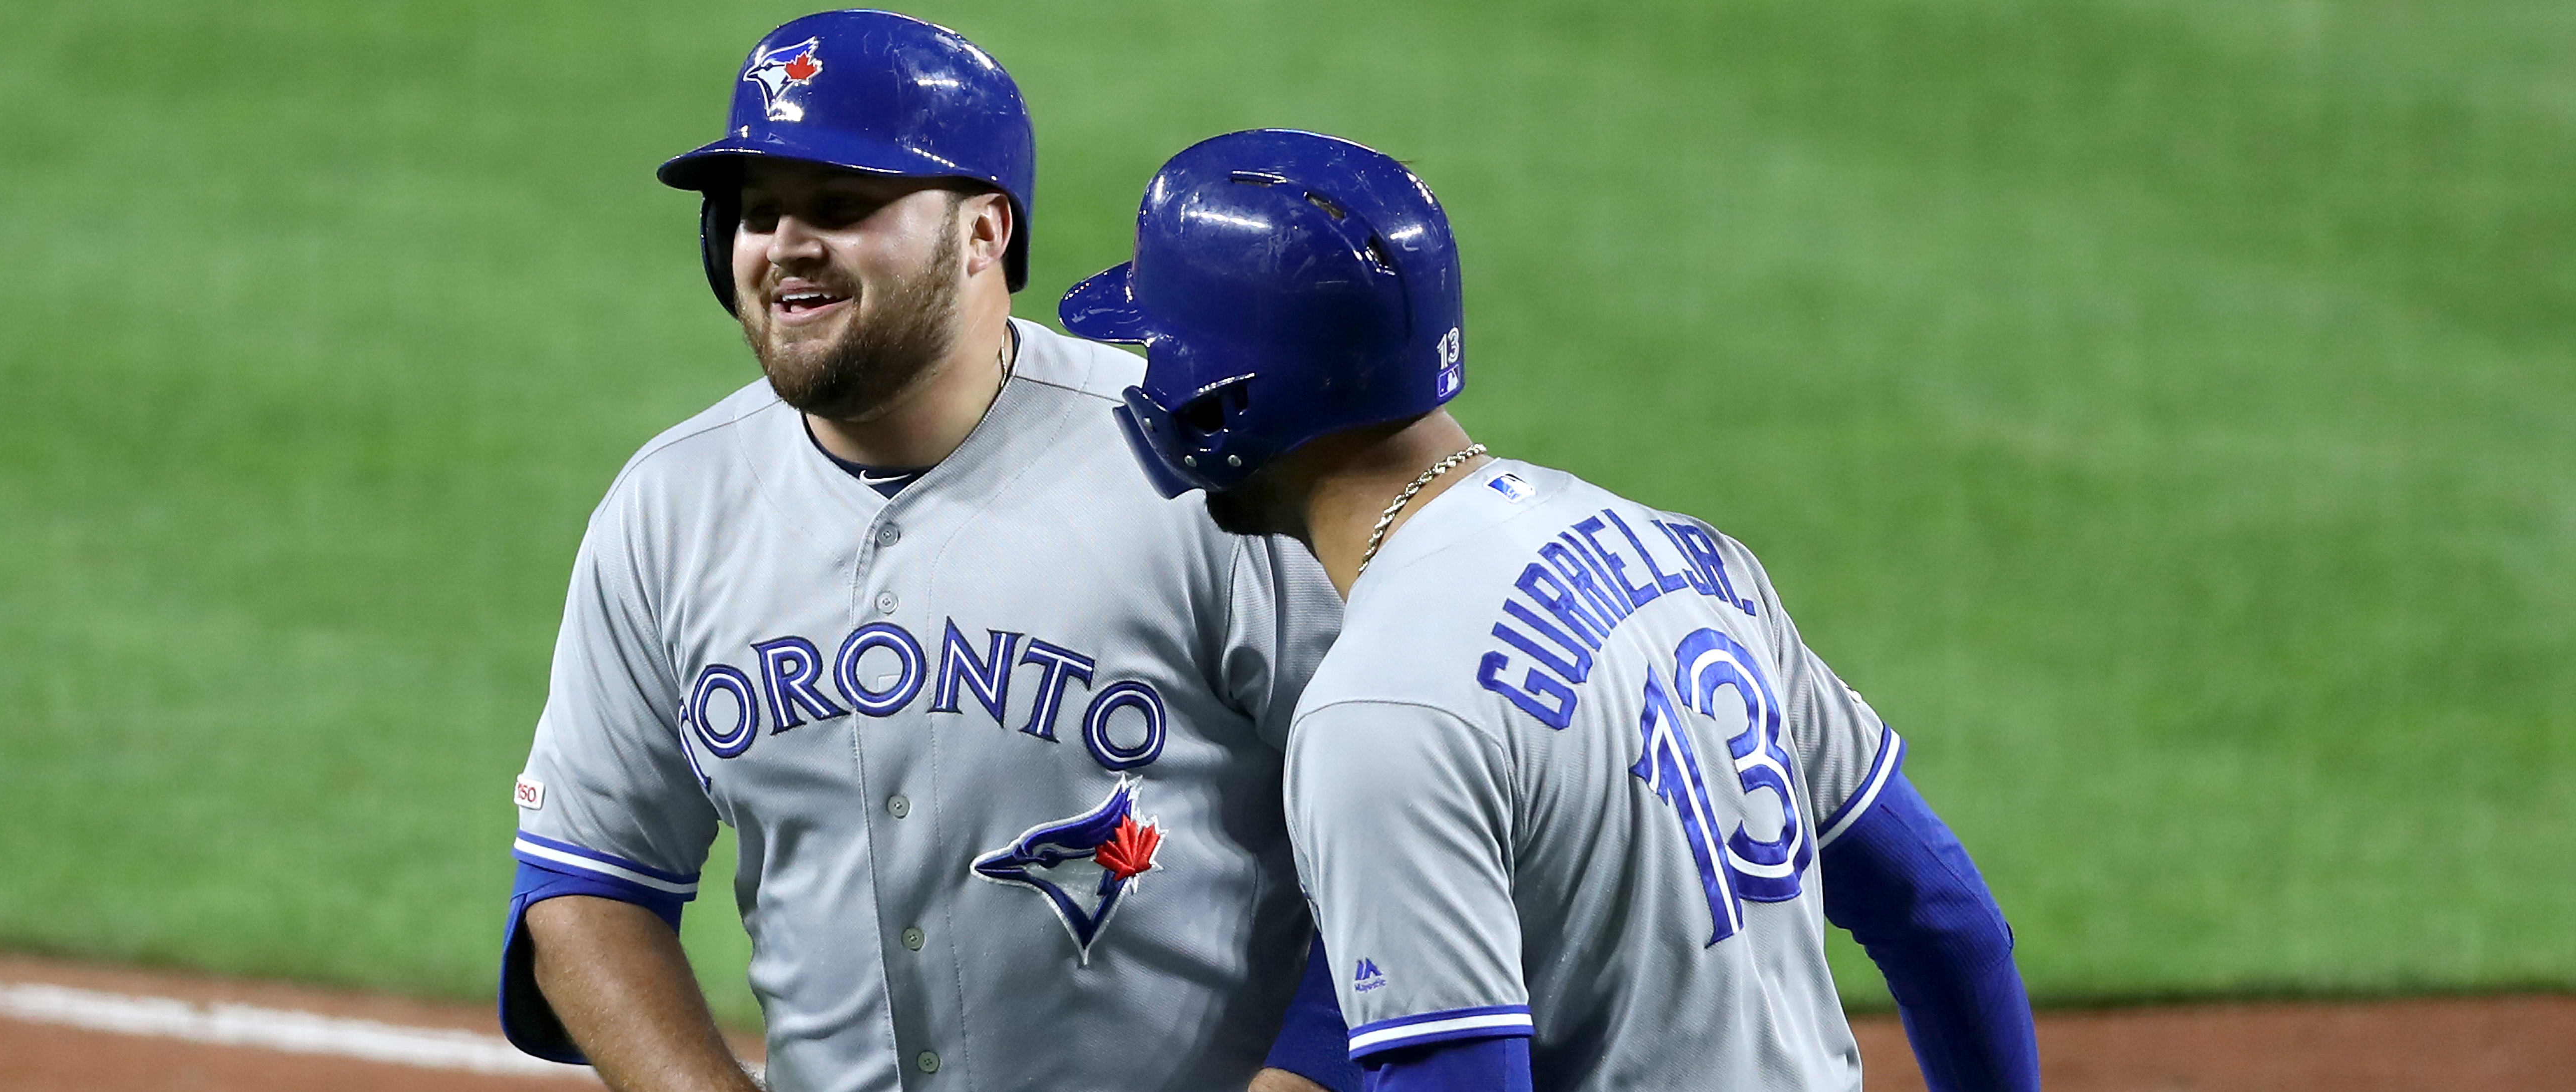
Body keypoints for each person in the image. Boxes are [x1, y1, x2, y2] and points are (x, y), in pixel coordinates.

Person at [1060, 128, 2043, 1092]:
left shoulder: (1382, 709)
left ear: (1227, 397)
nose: (1148, 377)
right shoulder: (1687, 553)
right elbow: (1943, 914)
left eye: (1156, 347)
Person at [496, 15, 1360, 1092]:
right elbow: (587, 885)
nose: (786, 244)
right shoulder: (670, 509)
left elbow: (1413, 851)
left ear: (985, 233)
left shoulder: (1196, 477)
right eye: (757, 212)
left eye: (843, 206)